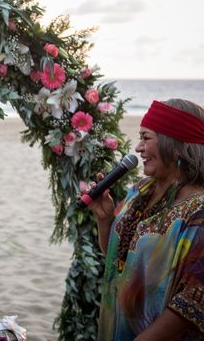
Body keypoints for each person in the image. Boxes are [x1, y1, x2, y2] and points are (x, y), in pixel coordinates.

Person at [85, 99, 204, 340]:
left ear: (176, 145)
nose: (138, 148)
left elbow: (191, 304)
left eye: (146, 138)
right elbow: (117, 258)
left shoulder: (198, 214)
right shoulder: (139, 191)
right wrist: (105, 220)